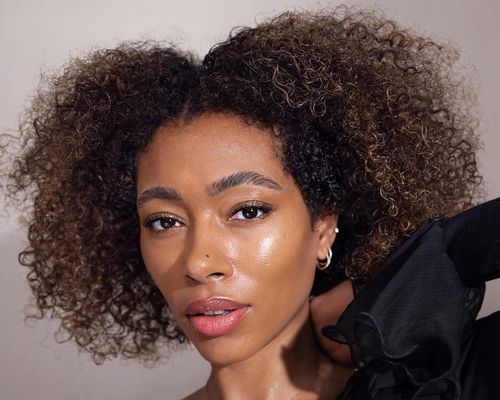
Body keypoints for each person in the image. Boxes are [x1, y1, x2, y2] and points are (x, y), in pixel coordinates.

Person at [3, 6, 499, 399]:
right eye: (163, 221)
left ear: (323, 226)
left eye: (247, 211)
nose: (197, 263)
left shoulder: (446, 383)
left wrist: (415, 269)